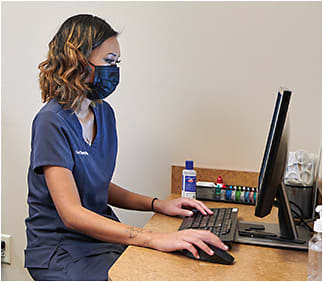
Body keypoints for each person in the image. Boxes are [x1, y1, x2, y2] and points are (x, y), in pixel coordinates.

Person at [24, 14, 228, 281]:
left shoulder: (104, 114)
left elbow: (95, 185)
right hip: (61, 249)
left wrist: (158, 205)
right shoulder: (51, 122)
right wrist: (152, 237)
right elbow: (72, 214)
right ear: (78, 59)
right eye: (109, 61)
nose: (114, 70)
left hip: (100, 239)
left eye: (117, 63)